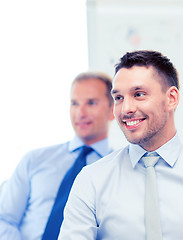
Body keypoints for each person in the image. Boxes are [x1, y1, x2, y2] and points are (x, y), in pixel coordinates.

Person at [58, 50, 183, 239]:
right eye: (119, 97)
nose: (126, 108)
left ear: (171, 98)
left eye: (139, 94)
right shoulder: (91, 180)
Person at [0, 72, 115, 240]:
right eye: (74, 103)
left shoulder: (120, 170)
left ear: (113, 110)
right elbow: (4, 219)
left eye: (91, 103)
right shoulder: (34, 160)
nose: (80, 113)